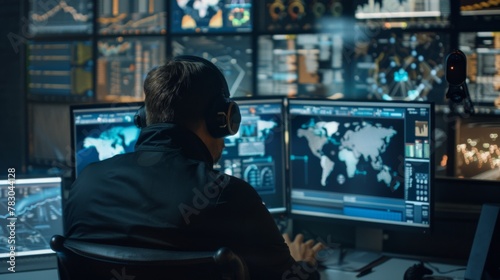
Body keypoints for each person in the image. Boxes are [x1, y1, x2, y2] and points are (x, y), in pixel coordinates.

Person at [64, 55, 324, 279]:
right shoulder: (229, 196)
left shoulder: (86, 184)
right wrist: (304, 264)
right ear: (221, 121)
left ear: (144, 119)